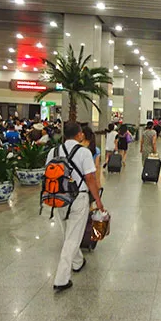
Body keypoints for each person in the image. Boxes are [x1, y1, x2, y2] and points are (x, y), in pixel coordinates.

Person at [46, 122, 104, 292]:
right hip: (78, 197)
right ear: (79, 135)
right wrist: (98, 200)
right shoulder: (84, 152)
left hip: (57, 197)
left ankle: (78, 262)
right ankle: (61, 279)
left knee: (68, 233)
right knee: (72, 237)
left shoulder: (53, 151)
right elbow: (90, 178)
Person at [81, 125, 102, 191]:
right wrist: (98, 181)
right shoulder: (96, 149)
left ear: (83, 135)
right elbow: (97, 166)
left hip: (78, 176)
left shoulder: (77, 147)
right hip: (91, 177)